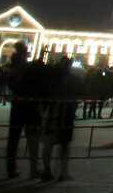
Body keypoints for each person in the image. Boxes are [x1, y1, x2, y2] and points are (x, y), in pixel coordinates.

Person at [6, 44, 47, 179]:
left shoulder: (12, 67)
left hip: (17, 104)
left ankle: (11, 168)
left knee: (13, 138)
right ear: (24, 53)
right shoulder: (28, 68)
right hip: (30, 106)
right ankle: (34, 169)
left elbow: (10, 84)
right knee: (33, 138)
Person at [41, 57, 77, 181]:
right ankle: (63, 172)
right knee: (64, 145)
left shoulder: (51, 78)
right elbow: (78, 93)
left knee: (48, 144)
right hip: (66, 114)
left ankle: (47, 170)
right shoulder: (72, 79)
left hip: (52, 113)